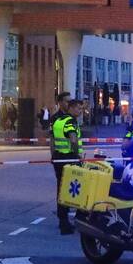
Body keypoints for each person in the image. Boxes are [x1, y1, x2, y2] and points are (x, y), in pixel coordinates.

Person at [51, 97, 82, 235]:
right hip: (69, 157)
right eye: (78, 108)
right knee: (74, 189)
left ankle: (62, 219)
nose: (80, 111)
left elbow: (52, 140)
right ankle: (71, 221)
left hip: (58, 157)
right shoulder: (70, 121)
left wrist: (53, 156)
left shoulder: (58, 120)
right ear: (71, 108)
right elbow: (73, 140)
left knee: (61, 189)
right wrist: (77, 155)